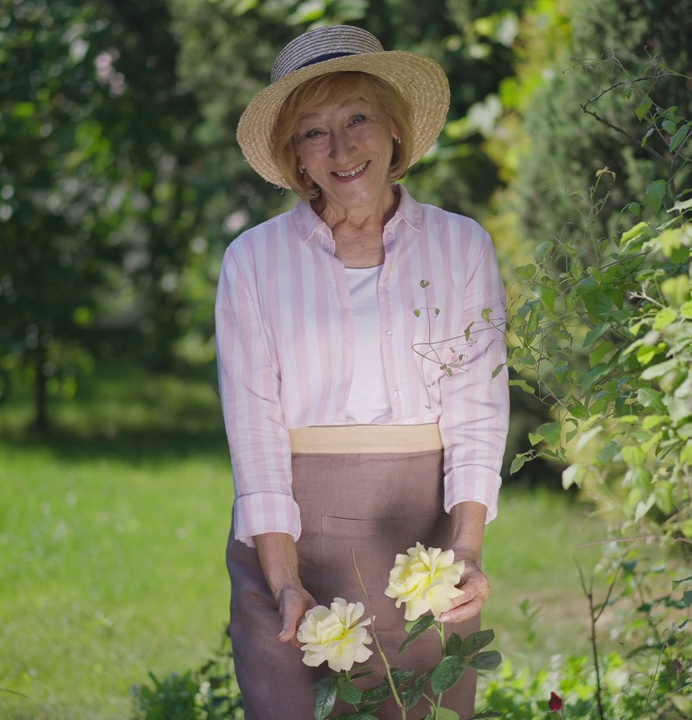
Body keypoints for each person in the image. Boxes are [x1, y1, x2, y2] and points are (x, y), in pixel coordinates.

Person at [217, 24, 509, 719]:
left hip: (424, 551)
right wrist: (283, 579)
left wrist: (465, 549)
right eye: (314, 133)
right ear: (295, 155)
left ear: (395, 130)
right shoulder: (253, 262)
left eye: (357, 119)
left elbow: (477, 409)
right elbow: (254, 431)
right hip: (287, 549)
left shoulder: (462, 245)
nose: (342, 149)